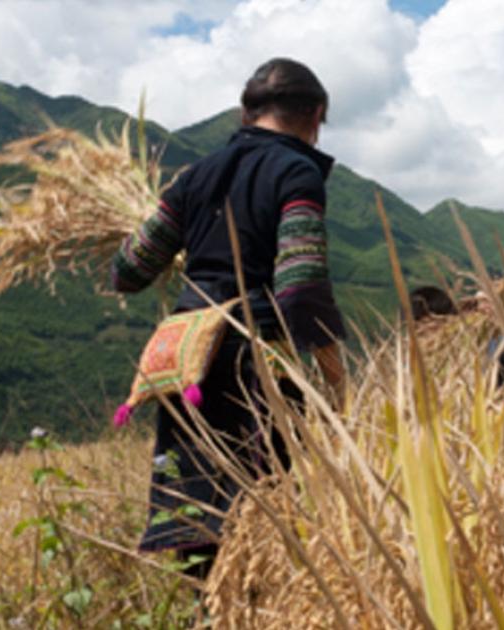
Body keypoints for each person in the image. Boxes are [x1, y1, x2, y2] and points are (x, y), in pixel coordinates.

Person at [109, 57, 346, 580]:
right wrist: (335, 376)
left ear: (245, 113)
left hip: (188, 366)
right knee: (261, 520)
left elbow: (128, 270)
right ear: (316, 115)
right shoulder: (298, 171)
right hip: (253, 362)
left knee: (198, 519)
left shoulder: (195, 176)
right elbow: (300, 285)